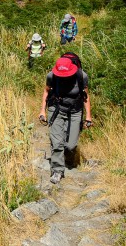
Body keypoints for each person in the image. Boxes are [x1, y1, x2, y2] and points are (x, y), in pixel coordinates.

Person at [38, 56, 93, 184]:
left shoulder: (81, 76)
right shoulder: (52, 76)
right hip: (56, 108)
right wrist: (42, 110)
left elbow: (85, 96)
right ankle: (57, 170)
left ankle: (68, 159)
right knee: (57, 142)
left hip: (75, 111)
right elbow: (46, 92)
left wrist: (88, 116)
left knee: (71, 145)